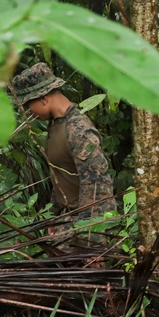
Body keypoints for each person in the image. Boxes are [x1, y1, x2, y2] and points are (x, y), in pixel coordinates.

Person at [11, 62, 117, 228]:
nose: (27, 112)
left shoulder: (78, 131)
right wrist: (53, 217)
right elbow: (61, 178)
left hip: (87, 224)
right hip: (69, 219)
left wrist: (90, 239)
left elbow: (97, 188)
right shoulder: (56, 125)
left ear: (44, 99)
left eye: (28, 105)